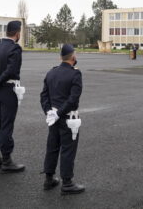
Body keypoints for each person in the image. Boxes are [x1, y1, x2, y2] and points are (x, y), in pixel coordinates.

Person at [40, 44, 85, 195]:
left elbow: (44, 95)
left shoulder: (51, 72)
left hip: (53, 117)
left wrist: (49, 112)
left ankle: (49, 179)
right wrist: (59, 113)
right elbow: (73, 100)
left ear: (60, 57)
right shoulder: (75, 74)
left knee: (52, 146)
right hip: (68, 117)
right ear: (73, 57)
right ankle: (67, 183)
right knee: (67, 149)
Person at [0, 21, 25, 173]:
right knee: (6, 124)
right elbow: (11, 69)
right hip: (7, 88)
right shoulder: (15, 48)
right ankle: (6, 160)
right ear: (17, 33)